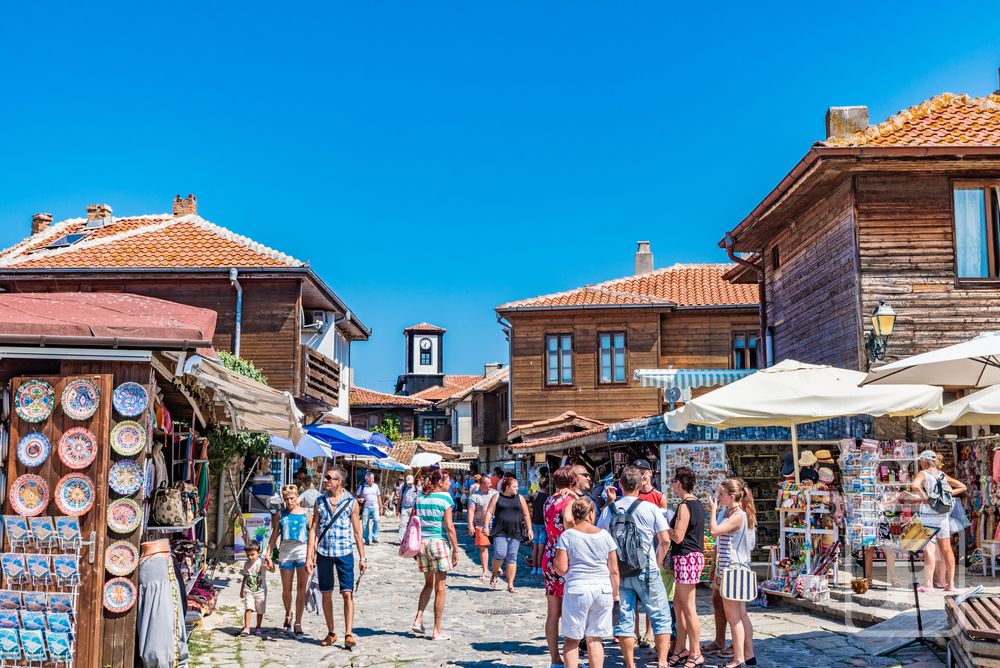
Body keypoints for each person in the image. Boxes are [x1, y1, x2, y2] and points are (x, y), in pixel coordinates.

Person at [597, 465, 672, 668]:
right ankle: (662, 662)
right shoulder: (650, 509)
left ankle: (630, 664)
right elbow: (665, 540)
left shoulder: (608, 511)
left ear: (620, 486)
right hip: (647, 569)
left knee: (625, 620)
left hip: (619, 572)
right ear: (640, 485)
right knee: (660, 615)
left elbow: (600, 539)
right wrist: (658, 562)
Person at [554, 497, 620, 668]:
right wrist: (616, 594)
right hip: (602, 590)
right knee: (595, 639)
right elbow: (614, 570)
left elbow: (560, 568)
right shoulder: (605, 536)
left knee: (572, 640)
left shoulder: (567, 535)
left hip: (578, 589)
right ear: (591, 514)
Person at [306, 467, 368, 648]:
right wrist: (309, 556)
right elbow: (313, 529)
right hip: (324, 553)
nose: (325, 480)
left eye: (329, 478)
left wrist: (362, 557)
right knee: (326, 593)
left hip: (344, 552)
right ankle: (331, 632)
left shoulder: (351, 502)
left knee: (347, 593)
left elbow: (357, 532)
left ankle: (348, 634)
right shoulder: (320, 501)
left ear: (339, 481)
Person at [542, 464, 590, 668]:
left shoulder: (549, 500)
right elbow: (570, 521)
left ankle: (555, 659)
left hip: (549, 554)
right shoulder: (570, 501)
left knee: (553, 613)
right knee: (572, 611)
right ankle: (572, 659)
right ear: (572, 481)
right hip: (566, 556)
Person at [708, 478, 757, 668]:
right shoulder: (733, 513)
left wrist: (713, 511)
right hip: (732, 569)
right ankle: (748, 654)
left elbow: (714, 531)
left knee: (734, 617)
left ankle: (739, 658)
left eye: (722, 494)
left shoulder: (737, 515)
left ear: (731, 495)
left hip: (733, 571)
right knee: (741, 615)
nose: (719, 497)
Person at [411, 469, 460, 640]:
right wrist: (455, 549)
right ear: (440, 482)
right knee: (440, 588)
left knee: (428, 584)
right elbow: (449, 526)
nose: (450, 483)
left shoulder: (420, 497)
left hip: (422, 544)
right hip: (438, 543)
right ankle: (437, 631)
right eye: (448, 481)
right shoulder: (445, 498)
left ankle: (418, 619)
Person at [665, 467, 705, 668]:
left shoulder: (684, 506)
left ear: (679, 483)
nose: (672, 485)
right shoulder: (697, 504)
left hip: (686, 557)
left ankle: (696, 652)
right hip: (689, 557)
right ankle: (680, 648)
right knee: (679, 606)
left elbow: (678, 536)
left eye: (673, 481)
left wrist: (663, 527)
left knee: (688, 608)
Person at [911, 450, 967, 592]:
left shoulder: (923, 473)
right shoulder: (942, 475)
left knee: (929, 550)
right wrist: (946, 495)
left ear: (924, 461)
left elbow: (915, 485)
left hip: (928, 516)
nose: (920, 463)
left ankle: (928, 584)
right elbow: (962, 487)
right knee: (947, 550)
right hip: (943, 516)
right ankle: (950, 584)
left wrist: (925, 497)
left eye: (921, 461)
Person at [265, 485, 310, 637]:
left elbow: (312, 534)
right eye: (286, 499)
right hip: (285, 553)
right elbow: (274, 535)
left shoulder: (306, 514)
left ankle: (298, 622)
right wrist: (268, 553)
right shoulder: (280, 515)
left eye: (292, 498)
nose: (289, 502)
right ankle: (288, 613)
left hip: (302, 552)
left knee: (301, 589)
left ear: (297, 497)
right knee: (286, 589)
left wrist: (313, 555)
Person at [483, 476, 533, 592]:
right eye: (514, 486)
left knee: (512, 557)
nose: (517, 488)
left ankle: (510, 584)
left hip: (515, 531)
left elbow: (526, 514)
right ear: (507, 487)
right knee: (500, 553)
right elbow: (489, 511)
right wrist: (486, 526)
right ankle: (494, 575)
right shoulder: (497, 497)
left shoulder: (520, 498)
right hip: (500, 530)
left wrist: (530, 529)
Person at [239, 540, 274, 636]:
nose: (250, 557)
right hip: (249, 589)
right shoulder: (246, 564)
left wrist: (269, 563)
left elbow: (272, 570)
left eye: (252, 554)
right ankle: (247, 627)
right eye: (248, 555)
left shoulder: (262, 562)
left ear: (258, 553)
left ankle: (258, 626)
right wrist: (242, 590)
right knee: (248, 607)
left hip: (261, 590)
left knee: (260, 609)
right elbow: (245, 577)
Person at [468, 476, 498, 579]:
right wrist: (470, 525)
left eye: (490, 483)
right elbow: (471, 511)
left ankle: (497, 567)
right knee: (483, 547)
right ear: (481, 484)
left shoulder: (495, 493)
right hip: (480, 524)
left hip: (495, 523)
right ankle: (485, 571)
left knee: (498, 547)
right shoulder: (474, 497)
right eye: (488, 483)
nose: (491, 485)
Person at [530, 476, 551, 575]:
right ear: (547, 486)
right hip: (543, 523)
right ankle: (539, 567)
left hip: (535, 522)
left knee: (535, 544)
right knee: (541, 545)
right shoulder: (548, 497)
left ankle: (534, 567)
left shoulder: (534, 495)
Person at [355, 472, 383, 545]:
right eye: (371, 478)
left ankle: (375, 537)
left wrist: (381, 507)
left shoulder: (376, 486)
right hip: (366, 507)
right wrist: (359, 500)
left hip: (375, 506)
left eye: (373, 478)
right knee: (365, 523)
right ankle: (366, 539)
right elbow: (356, 496)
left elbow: (378, 496)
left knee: (376, 520)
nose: (372, 480)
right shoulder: (362, 486)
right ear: (366, 479)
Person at [396, 475, 419, 540]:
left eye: (411, 482)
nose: (410, 484)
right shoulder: (403, 487)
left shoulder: (416, 488)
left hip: (412, 508)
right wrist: (398, 509)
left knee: (412, 524)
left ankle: (411, 539)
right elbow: (399, 498)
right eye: (409, 483)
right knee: (403, 523)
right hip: (404, 508)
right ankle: (402, 539)